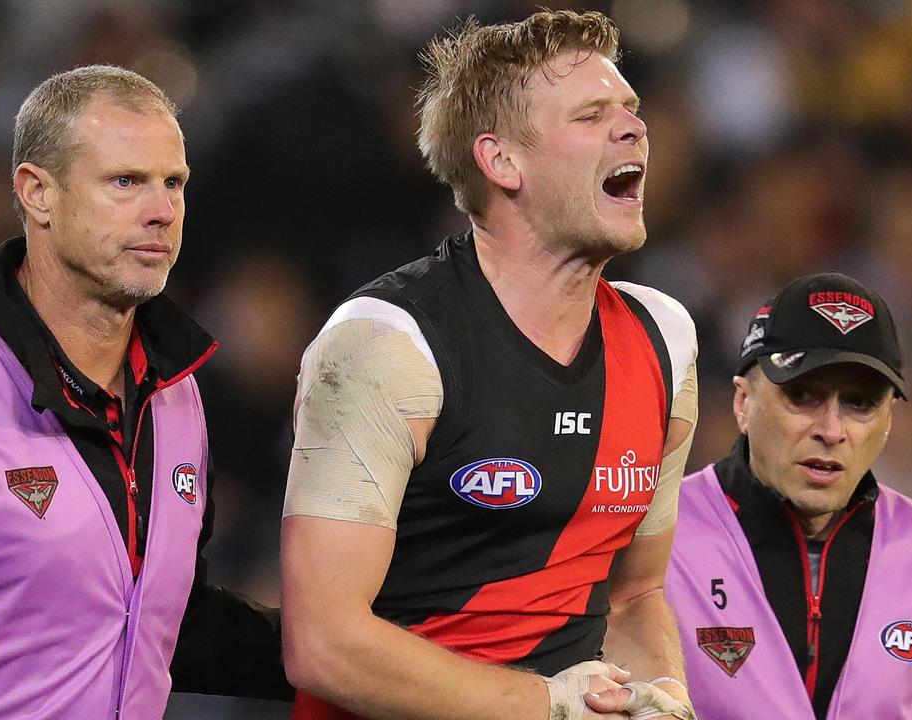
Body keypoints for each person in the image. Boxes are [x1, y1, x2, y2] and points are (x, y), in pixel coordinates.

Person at [0, 65, 289, 720]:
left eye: (173, 182)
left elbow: (156, 619)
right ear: (37, 192)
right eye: (125, 181)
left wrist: (349, 655)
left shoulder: (175, 393)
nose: (161, 211)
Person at [280, 10, 699, 720]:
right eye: (593, 114)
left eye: (630, 110)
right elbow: (322, 642)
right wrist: (545, 704)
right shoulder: (386, 345)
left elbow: (634, 596)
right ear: (502, 161)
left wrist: (663, 698)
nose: (634, 128)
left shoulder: (665, 337)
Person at [666, 271, 912, 719]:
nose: (830, 430)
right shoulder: (660, 537)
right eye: (803, 396)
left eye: (859, 404)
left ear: (888, 421)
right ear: (743, 403)